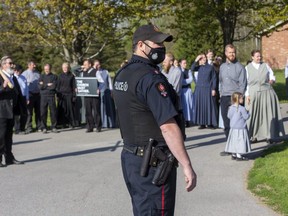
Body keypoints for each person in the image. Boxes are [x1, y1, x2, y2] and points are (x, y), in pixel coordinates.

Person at [113, 24, 197, 215]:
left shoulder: (123, 74)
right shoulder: (150, 79)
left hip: (132, 159)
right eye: (156, 42)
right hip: (153, 164)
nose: (161, 47)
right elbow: (167, 126)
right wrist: (186, 164)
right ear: (141, 45)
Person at [245, 49, 285, 143]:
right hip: (254, 92)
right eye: (257, 56)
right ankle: (252, 136)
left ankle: (269, 135)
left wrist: (272, 80)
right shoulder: (247, 68)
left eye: (260, 56)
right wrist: (247, 95)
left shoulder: (265, 65)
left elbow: (272, 75)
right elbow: (245, 82)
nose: (259, 58)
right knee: (253, 115)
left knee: (267, 114)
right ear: (252, 57)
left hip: (266, 92)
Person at [219, 44, 247, 156]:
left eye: (234, 52)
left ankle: (239, 149)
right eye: (230, 52)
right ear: (225, 53)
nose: (232, 54)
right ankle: (230, 147)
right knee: (226, 123)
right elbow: (220, 81)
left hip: (234, 98)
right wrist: (220, 93)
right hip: (224, 97)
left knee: (237, 125)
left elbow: (243, 85)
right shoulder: (222, 67)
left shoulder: (240, 67)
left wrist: (238, 100)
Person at [0, 56, 24, 167]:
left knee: (9, 136)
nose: (12, 65)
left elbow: (17, 93)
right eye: (10, 63)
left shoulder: (12, 77)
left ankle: (9, 158)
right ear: (3, 65)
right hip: (2, 111)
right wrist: (2, 87)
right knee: (1, 136)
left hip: (12, 110)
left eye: (12, 63)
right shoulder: (1, 76)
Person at [191, 53, 218, 129]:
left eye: (204, 58)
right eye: (202, 58)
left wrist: (213, 88)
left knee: (208, 106)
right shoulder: (198, 67)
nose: (203, 59)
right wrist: (196, 60)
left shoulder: (210, 67)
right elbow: (192, 69)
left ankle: (210, 123)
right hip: (199, 89)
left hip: (207, 88)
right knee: (201, 106)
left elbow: (214, 78)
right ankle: (202, 123)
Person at [225, 92, 251, 161]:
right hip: (241, 128)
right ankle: (239, 155)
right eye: (242, 98)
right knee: (240, 142)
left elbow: (229, 116)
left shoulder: (230, 108)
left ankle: (234, 154)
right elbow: (246, 117)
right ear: (238, 99)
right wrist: (249, 112)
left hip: (233, 128)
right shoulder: (242, 108)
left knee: (234, 141)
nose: (243, 99)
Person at [93, 59, 116, 128]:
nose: (98, 66)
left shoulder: (106, 71)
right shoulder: (94, 73)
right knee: (102, 108)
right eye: (96, 64)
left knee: (109, 108)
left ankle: (111, 123)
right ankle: (103, 123)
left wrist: (111, 91)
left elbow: (109, 82)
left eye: (98, 64)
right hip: (100, 93)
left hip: (107, 91)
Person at [82, 59, 102, 132]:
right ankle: (90, 126)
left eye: (85, 64)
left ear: (90, 65)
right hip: (87, 95)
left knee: (96, 111)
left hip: (94, 95)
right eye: (84, 64)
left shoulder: (96, 72)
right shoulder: (83, 72)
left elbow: (102, 82)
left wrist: (99, 89)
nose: (84, 66)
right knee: (88, 111)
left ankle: (98, 126)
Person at [56, 62, 77, 128]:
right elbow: (58, 87)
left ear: (68, 68)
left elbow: (74, 86)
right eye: (63, 68)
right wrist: (57, 95)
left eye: (66, 67)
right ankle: (62, 124)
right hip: (62, 95)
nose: (65, 69)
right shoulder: (60, 76)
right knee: (62, 110)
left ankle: (71, 123)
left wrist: (74, 95)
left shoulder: (72, 76)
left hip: (69, 95)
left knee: (70, 110)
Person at [22, 60, 41, 133]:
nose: (35, 66)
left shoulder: (37, 73)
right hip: (29, 94)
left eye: (35, 65)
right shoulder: (25, 73)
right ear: (29, 65)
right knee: (29, 112)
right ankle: (29, 127)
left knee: (38, 111)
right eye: (33, 65)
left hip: (37, 94)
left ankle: (39, 126)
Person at [39, 64, 58, 133]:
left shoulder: (54, 76)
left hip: (51, 96)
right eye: (45, 69)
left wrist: (44, 85)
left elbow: (53, 87)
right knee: (43, 112)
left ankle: (54, 127)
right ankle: (44, 127)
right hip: (43, 97)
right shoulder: (41, 76)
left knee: (53, 112)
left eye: (48, 69)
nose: (46, 70)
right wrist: (47, 85)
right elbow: (40, 87)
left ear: (50, 69)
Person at [13, 64, 29, 134]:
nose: (17, 72)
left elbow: (26, 88)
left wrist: (27, 98)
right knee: (17, 114)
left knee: (24, 113)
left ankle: (22, 128)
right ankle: (17, 129)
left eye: (19, 70)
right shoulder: (13, 78)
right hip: (16, 97)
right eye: (16, 70)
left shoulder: (23, 77)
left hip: (23, 97)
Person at [179, 59, 194, 127]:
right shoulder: (178, 71)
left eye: (186, 63)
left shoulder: (188, 71)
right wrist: (183, 81)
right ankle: (183, 120)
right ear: (180, 63)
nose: (185, 64)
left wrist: (183, 82)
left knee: (188, 106)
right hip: (181, 90)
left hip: (187, 90)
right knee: (182, 106)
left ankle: (188, 120)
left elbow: (191, 79)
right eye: (184, 63)